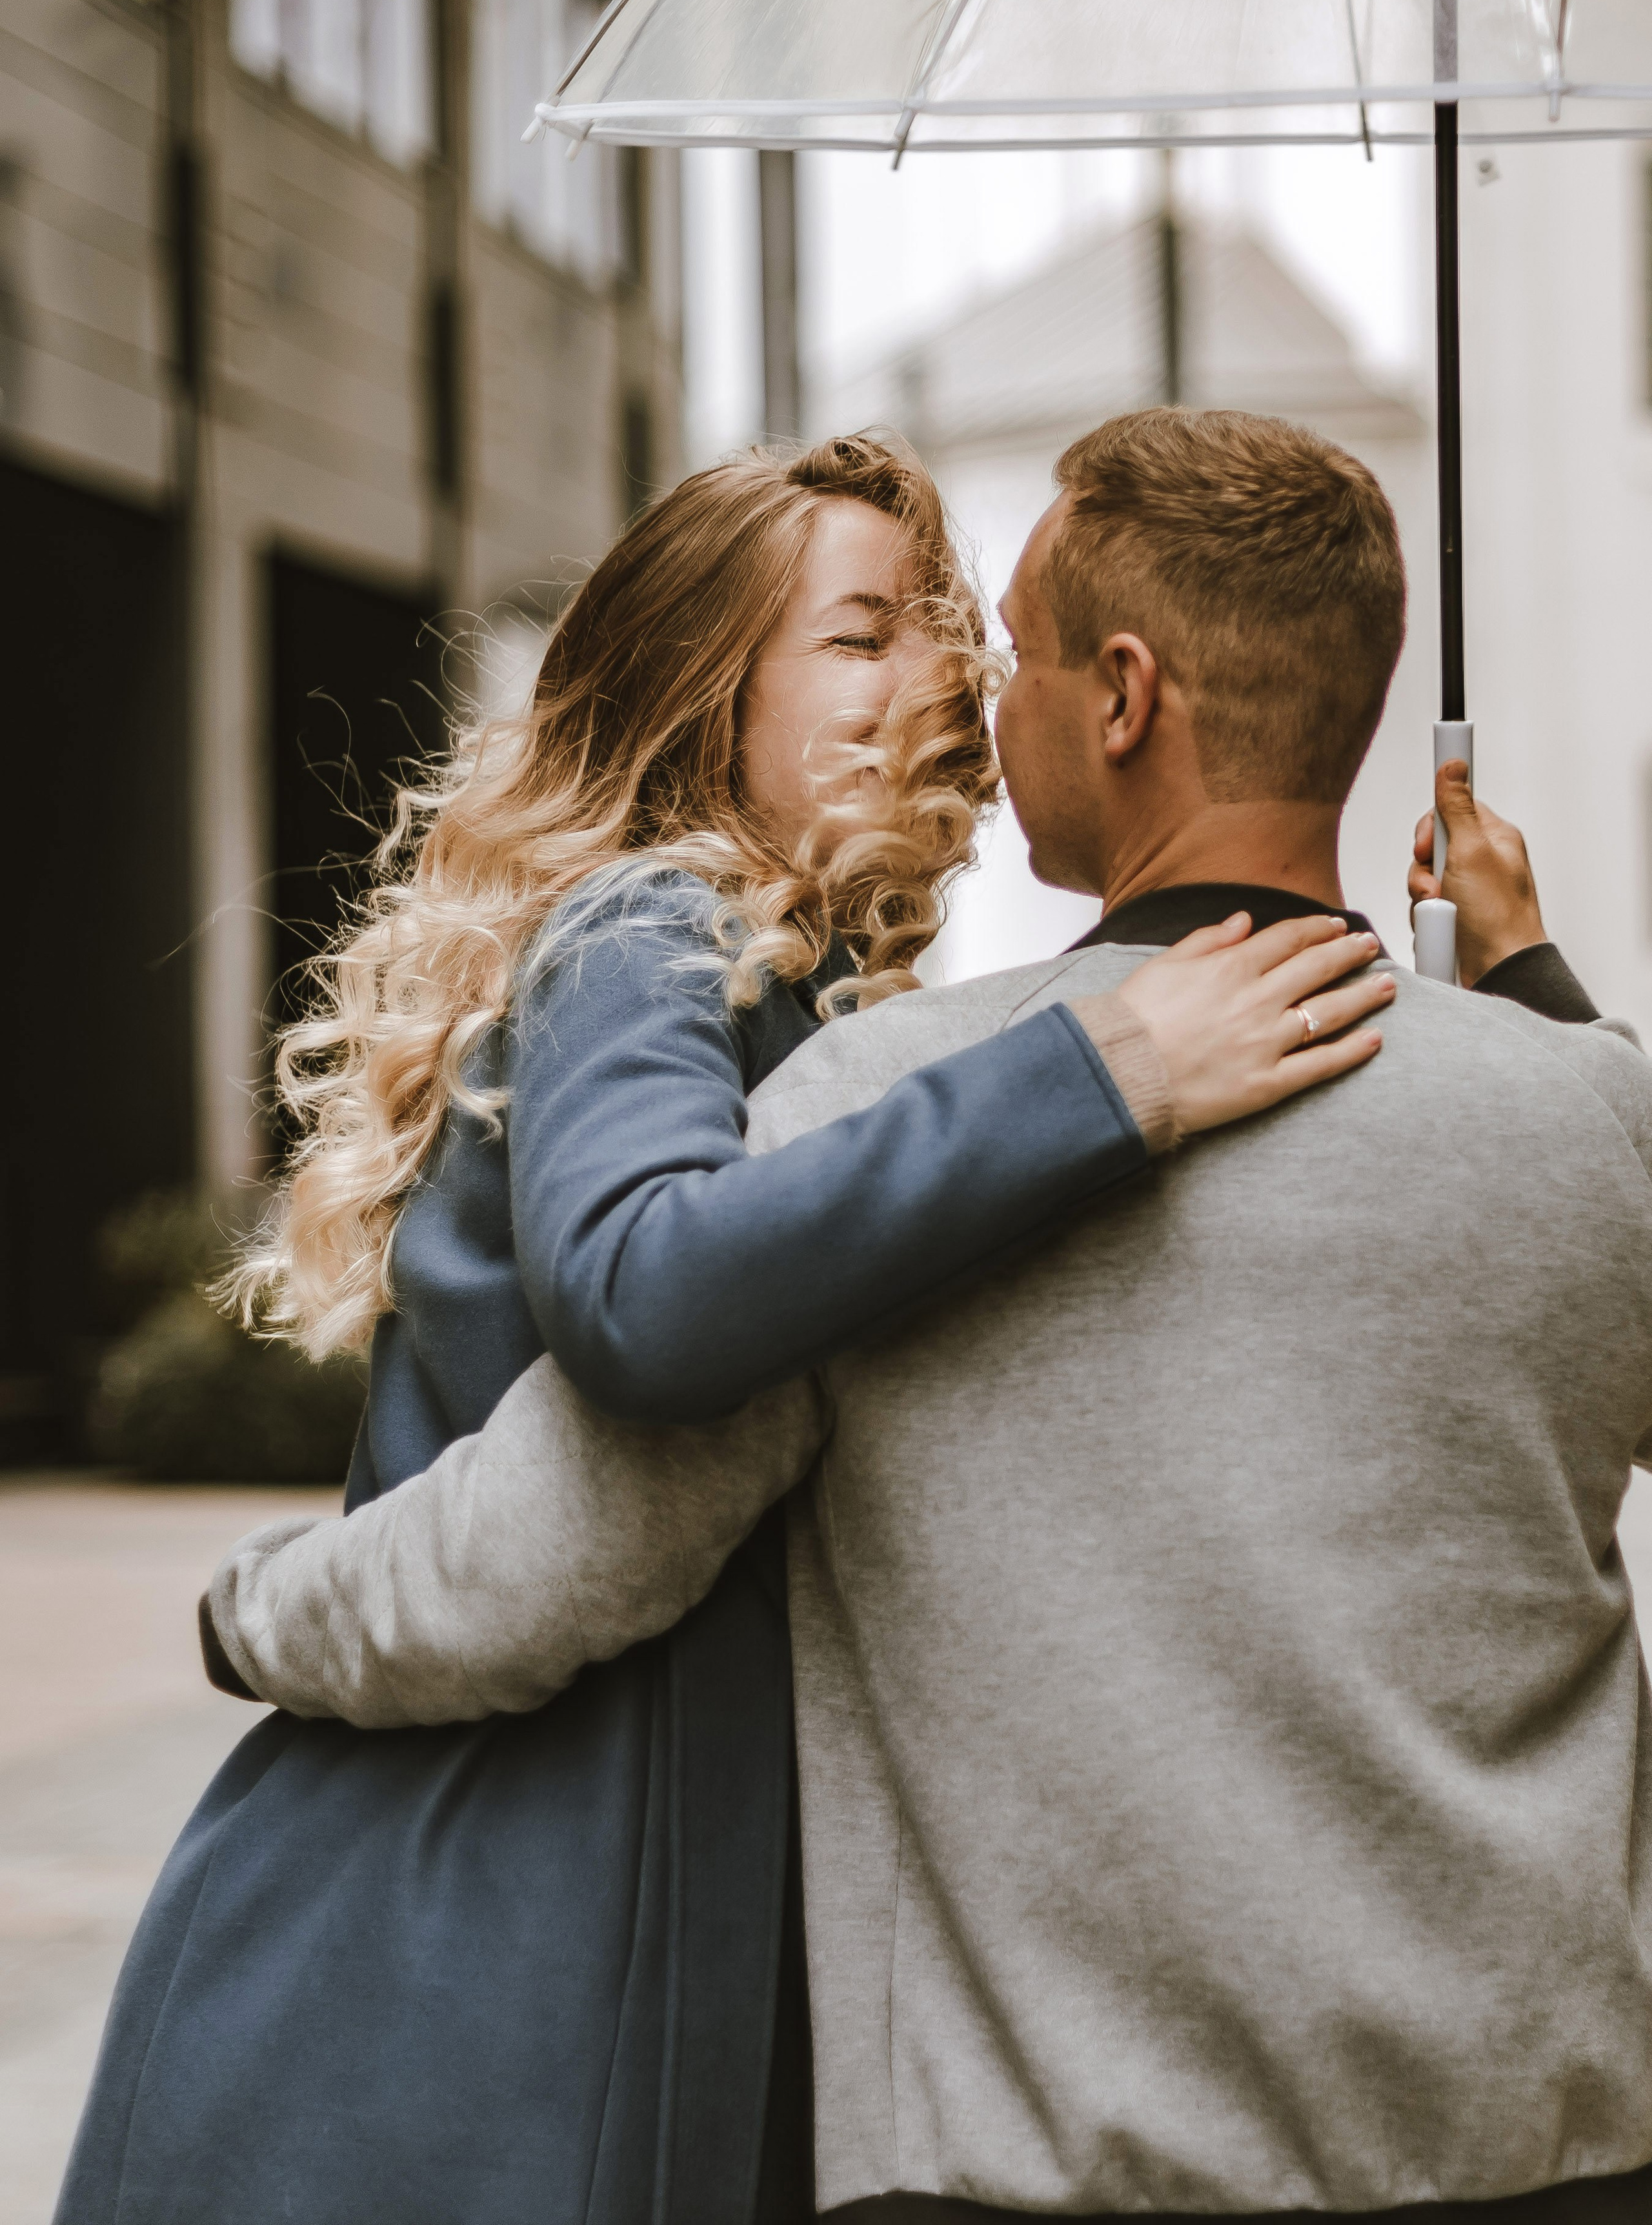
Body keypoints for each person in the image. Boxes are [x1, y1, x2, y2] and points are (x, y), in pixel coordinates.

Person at [190, 413, 1630, 2222]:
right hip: (525, 1874)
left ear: (1119, 702)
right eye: (871, 636)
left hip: (877, 2062)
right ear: (704, 692)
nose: (956, 676)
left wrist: (259, 1608)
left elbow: (559, 1533)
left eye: (965, 632)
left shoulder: (860, 1062)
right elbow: (642, 1314)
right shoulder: (683, 949)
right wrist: (1497, 1023)